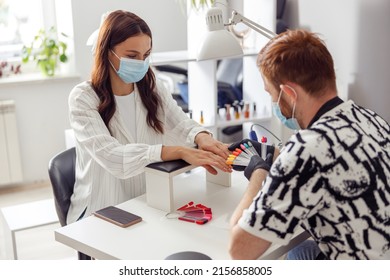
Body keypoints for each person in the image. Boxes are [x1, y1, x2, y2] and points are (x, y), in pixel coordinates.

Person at [228, 29, 390, 260]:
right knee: (299, 250)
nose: (273, 101)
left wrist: (259, 171)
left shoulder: (305, 150)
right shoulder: (369, 118)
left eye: (271, 93)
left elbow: (239, 250)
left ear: (289, 93)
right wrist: (275, 154)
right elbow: (337, 156)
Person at [67, 10, 231, 224]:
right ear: (107, 52)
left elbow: (179, 121)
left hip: (148, 200)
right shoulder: (83, 98)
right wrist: (180, 151)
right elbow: (113, 157)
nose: (141, 63)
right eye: (132, 56)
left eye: (146, 55)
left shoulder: (152, 88)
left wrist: (202, 136)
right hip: (102, 207)